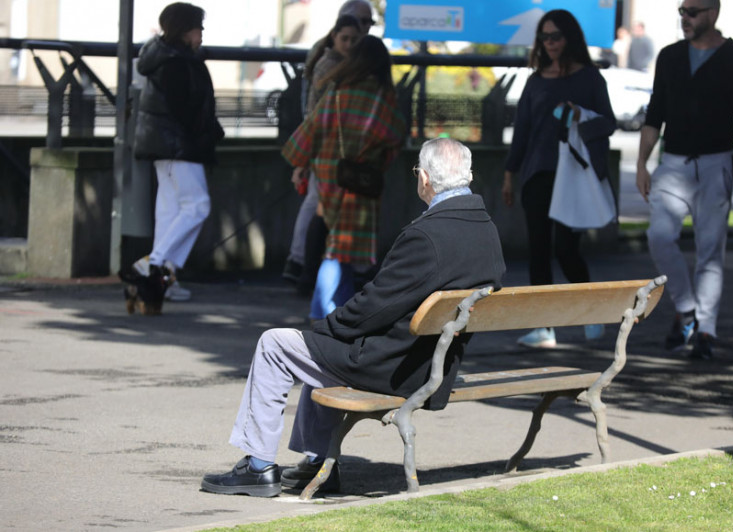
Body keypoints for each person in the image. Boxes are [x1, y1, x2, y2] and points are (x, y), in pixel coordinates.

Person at [200, 138, 507, 497]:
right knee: (321, 347)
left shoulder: (426, 235)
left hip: (394, 368)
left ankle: (258, 467)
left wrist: (325, 328)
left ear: (424, 178)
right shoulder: (486, 229)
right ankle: (319, 463)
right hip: (432, 365)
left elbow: (372, 306)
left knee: (275, 344)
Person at [635, 0, 733, 360]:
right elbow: (655, 113)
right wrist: (642, 164)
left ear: (713, 12)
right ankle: (686, 308)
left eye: (692, 12)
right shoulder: (670, 56)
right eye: (681, 11)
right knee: (659, 236)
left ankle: (706, 330)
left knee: (710, 250)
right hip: (673, 162)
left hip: (716, 162)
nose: (685, 18)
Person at [502, 9, 616, 349]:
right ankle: (543, 327)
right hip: (537, 173)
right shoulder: (536, 80)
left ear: (570, 38)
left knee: (567, 249)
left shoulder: (591, 78)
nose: (549, 43)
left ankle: (590, 312)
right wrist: (510, 175)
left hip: (574, 176)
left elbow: (608, 123)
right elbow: (522, 131)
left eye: (555, 36)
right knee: (538, 250)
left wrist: (581, 115)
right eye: (544, 37)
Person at [281, 35, 406, 320]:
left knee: (336, 243)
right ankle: (325, 311)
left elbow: (308, 132)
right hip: (360, 179)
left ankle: (330, 309)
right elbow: (395, 135)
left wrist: (302, 164)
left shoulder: (335, 93)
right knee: (343, 248)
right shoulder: (381, 96)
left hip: (327, 173)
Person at [132, 2, 224, 302]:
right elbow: (186, 110)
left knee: (170, 213)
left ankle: (163, 280)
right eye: (198, 28)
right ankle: (152, 264)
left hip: (164, 145)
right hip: (179, 146)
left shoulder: (166, 58)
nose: (202, 33)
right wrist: (208, 132)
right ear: (185, 30)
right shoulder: (177, 62)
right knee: (197, 205)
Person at [282, 0, 375, 293]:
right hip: (329, 147)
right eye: (359, 24)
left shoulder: (339, 61)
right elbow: (315, 112)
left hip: (333, 147)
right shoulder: (331, 64)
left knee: (320, 208)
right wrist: (305, 157)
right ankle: (305, 266)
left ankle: (304, 266)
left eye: (366, 25)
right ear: (336, 33)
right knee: (322, 208)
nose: (362, 30)